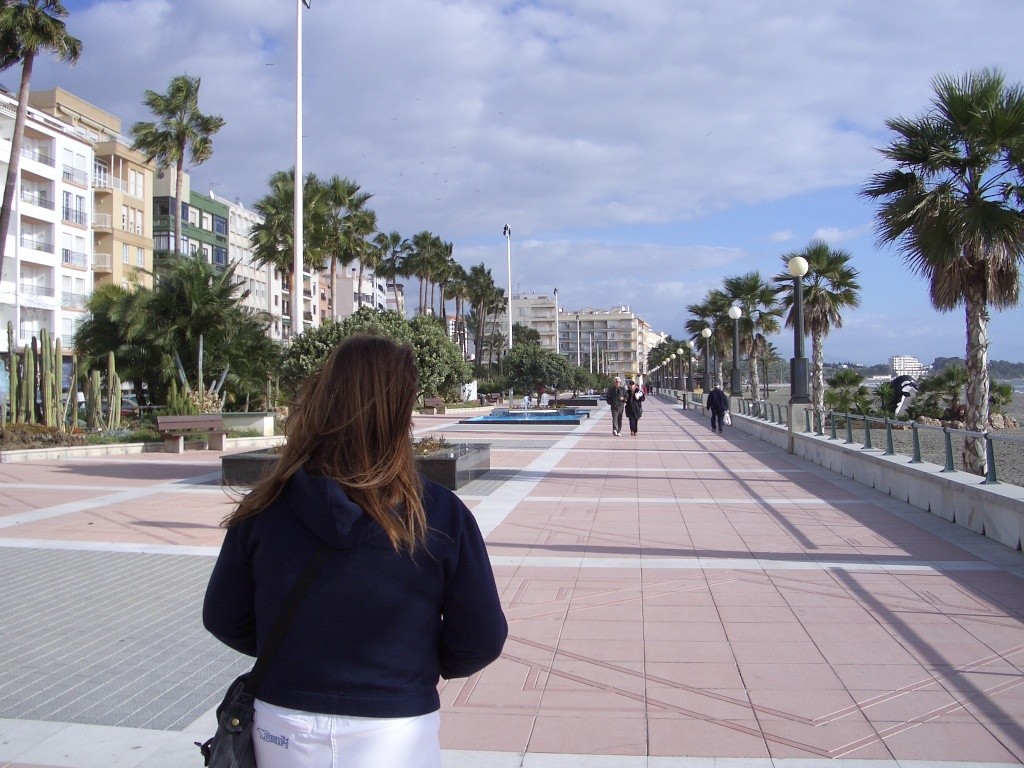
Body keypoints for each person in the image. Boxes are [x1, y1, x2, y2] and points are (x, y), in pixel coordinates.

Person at [203, 335, 508, 768]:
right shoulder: (439, 513)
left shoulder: (266, 505)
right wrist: (409, 661)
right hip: (396, 727)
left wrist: (304, 652)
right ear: (401, 413)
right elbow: (481, 638)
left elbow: (223, 616)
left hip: (284, 724)